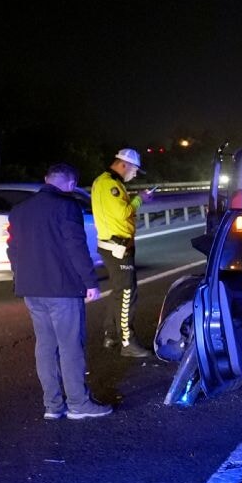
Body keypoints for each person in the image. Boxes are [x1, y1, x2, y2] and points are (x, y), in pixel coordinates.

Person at [7, 164, 112, 420]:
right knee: (70, 347)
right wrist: (91, 282)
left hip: (31, 289)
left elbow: (12, 250)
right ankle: (78, 403)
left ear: (46, 179)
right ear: (71, 184)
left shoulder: (19, 211)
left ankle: (52, 406)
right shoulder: (67, 207)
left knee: (45, 346)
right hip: (62, 289)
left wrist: (21, 277)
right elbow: (76, 248)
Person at [91, 148, 153, 357]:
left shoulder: (106, 181)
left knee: (119, 292)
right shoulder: (110, 184)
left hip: (114, 245)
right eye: (134, 170)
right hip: (117, 247)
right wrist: (140, 199)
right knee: (127, 294)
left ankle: (112, 335)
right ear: (124, 164)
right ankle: (128, 342)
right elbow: (123, 212)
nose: (134, 175)